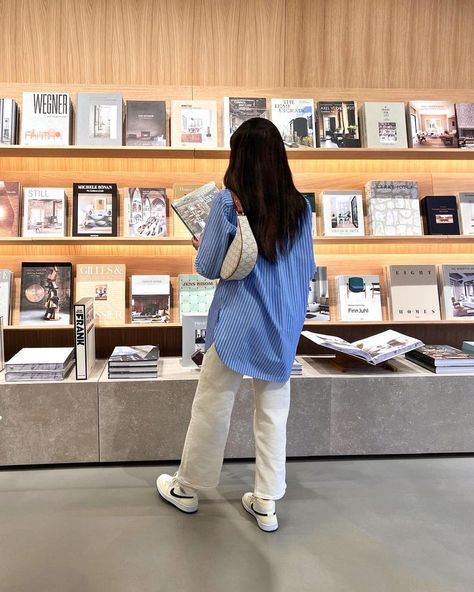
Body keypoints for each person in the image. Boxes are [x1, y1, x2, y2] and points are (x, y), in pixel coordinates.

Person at [157, 117, 316, 532]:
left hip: (235, 323)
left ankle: (187, 488)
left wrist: (204, 243)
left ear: (239, 157)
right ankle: (266, 501)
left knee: (212, 404)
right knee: (273, 411)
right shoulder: (302, 207)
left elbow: (209, 267)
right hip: (282, 323)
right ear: (279, 156)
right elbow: (305, 271)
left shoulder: (228, 203)